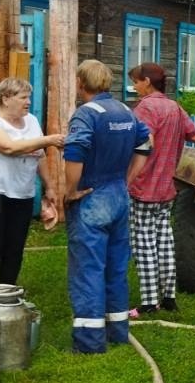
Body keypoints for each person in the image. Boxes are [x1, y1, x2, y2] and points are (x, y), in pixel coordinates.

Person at [58, 60, 151, 354]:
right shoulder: (125, 110)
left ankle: (89, 342)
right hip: (119, 197)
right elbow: (146, 144)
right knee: (116, 268)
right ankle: (118, 332)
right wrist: (127, 178)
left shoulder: (86, 114)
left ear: (81, 83)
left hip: (91, 199)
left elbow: (75, 151)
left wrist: (70, 191)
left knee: (88, 270)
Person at [0, 78, 64, 286]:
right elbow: (8, 148)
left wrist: (48, 186)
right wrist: (49, 139)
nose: (28, 102)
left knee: (15, 248)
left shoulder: (31, 120)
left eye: (29, 97)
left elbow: (40, 155)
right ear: (5, 99)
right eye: (23, 97)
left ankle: (7, 293)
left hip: (22, 193)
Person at [126, 63, 195, 316]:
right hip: (167, 185)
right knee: (165, 241)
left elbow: (145, 141)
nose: (134, 87)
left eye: (136, 82)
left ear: (147, 81)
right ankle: (169, 297)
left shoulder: (146, 107)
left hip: (144, 184)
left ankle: (148, 302)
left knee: (144, 244)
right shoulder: (174, 107)